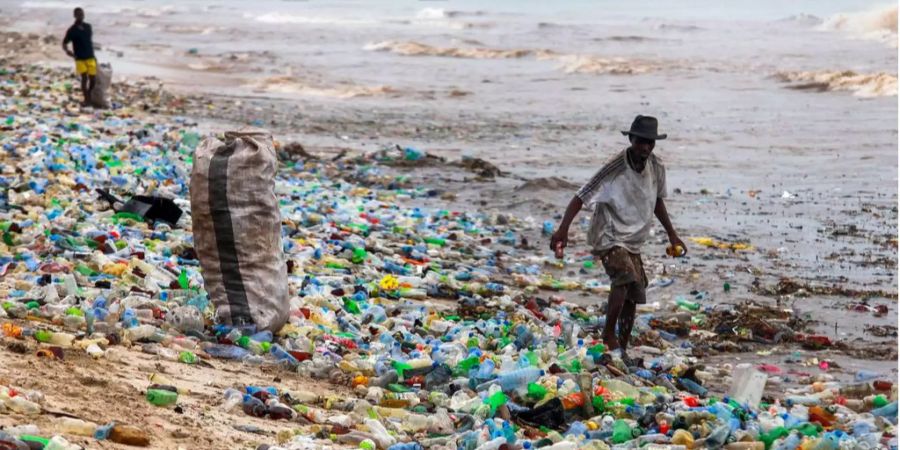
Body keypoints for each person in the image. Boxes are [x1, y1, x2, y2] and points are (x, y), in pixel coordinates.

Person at [549, 115, 686, 358]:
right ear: (631, 139)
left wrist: (673, 235)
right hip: (609, 233)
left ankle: (621, 346)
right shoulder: (616, 166)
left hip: (633, 238)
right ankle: (608, 334)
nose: (645, 148)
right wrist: (563, 229)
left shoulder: (656, 167)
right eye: (641, 142)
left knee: (635, 291)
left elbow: (657, 202)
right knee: (624, 277)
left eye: (650, 143)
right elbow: (582, 195)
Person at [62, 7, 96, 106]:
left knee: (93, 79)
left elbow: (89, 42)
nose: (81, 16)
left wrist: (95, 57)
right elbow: (64, 43)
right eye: (79, 14)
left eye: (82, 14)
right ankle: (87, 99)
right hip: (80, 58)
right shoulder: (72, 30)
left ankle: (89, 94)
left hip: (90, 56)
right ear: (75, 16)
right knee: (84, 78)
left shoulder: (88, 27)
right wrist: (67, 51)